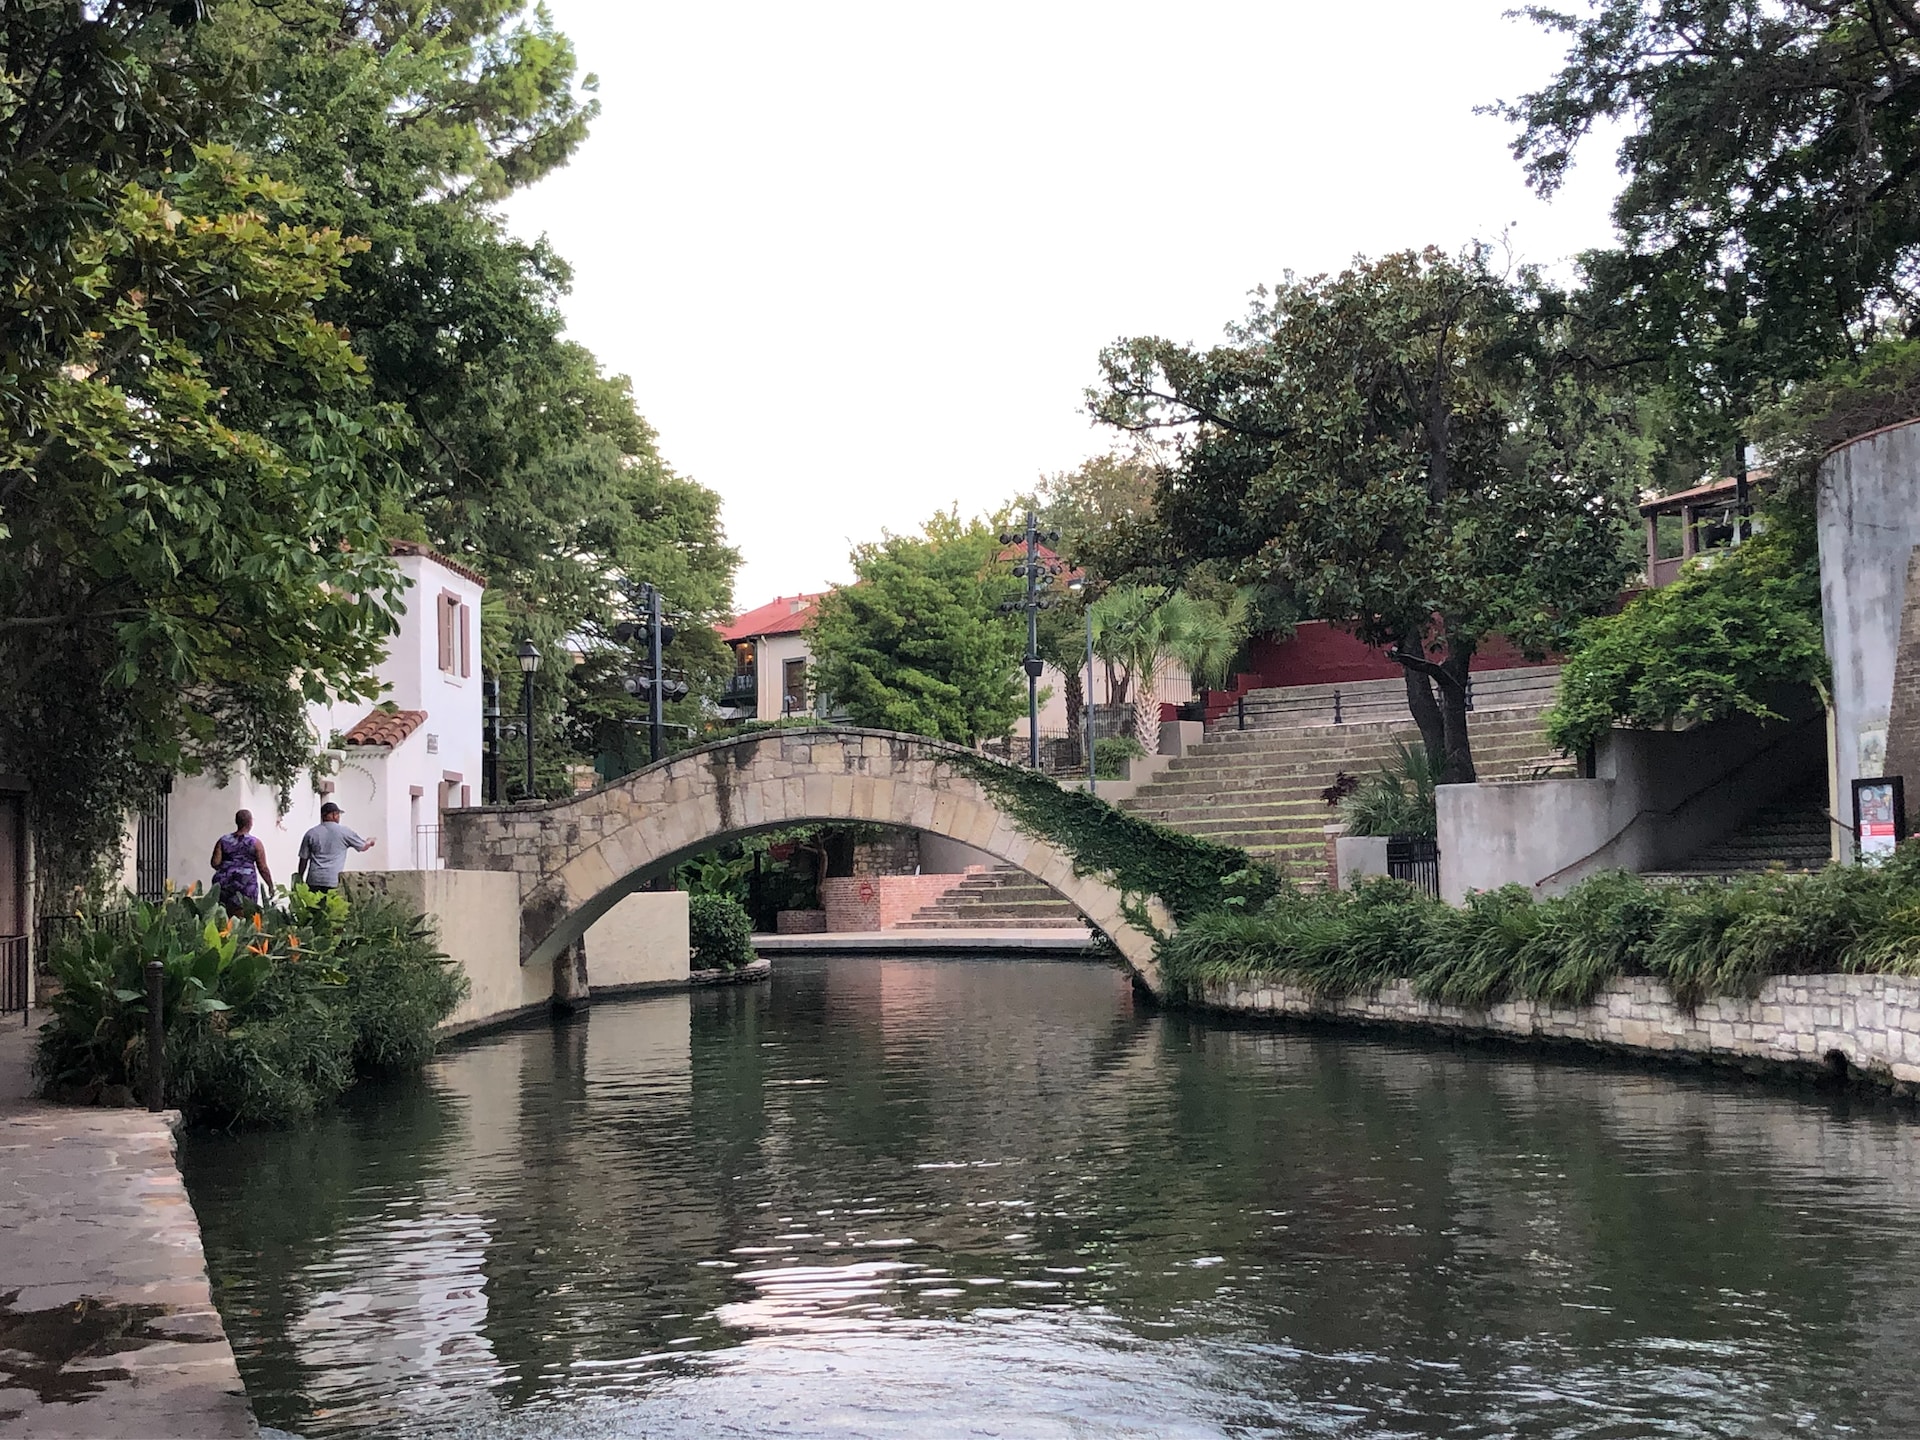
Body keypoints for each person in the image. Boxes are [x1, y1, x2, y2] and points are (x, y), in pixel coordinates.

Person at [297, 801, 376, 892]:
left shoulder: (311, 833)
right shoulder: (344, 832)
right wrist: (369, 841)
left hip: (314, 880)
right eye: (338, 814)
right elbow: (362, 847)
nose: (338, 817)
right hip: (333, 881)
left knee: (313, 905)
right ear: (334, 815)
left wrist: (300, 878)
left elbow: (303, 860)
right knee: (333, 905)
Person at [210, 809, 273, 912]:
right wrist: (270, 885)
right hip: (246, 885)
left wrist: (228, 868)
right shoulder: (256, 843)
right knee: (244, 916)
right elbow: (263, 868)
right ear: (250, 823)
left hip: (224, 884)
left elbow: (215, 863)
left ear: (237, 822)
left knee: (223, 915)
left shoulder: (223, 840)